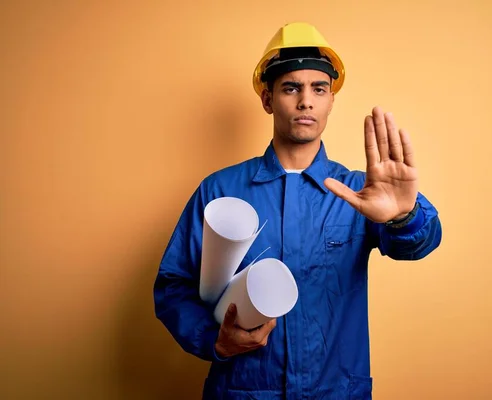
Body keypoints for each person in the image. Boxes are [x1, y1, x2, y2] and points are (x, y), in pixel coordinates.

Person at [154, 22, 442, 399]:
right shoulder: (220, 190)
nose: (306, 101)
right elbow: (173, 285)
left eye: (318, 89)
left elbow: (418, 244)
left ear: (330, 100)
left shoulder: (360, 193)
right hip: (243, 391)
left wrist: (403, 216)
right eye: (291, 87)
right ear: (268, 99)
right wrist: (215, 341)